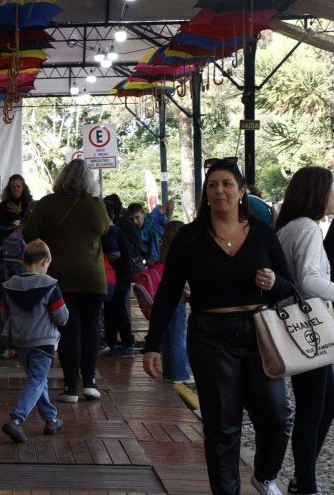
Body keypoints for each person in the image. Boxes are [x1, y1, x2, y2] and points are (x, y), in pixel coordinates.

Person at [142, 158, 293, 495]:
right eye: (213, 185)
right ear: (205, 194)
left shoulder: (263, 234)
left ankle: (265, 475)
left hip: (260, 335)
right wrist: (152, 344)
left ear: (242, 192)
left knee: (277, 416)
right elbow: (167, 292)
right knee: (222, 429)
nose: (220, 190)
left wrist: (273, 282)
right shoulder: (190, 237)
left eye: (227, 184)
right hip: (211, 337)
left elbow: (288, 287)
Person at [23, 158, 109, 403]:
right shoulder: (96, 205)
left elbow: (29, 234)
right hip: (93, 277)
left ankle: (71, 387)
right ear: (88, 181)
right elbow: (104, 230)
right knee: (92, 327)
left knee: (69, 329)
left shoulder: (47, 204)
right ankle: (90, 382)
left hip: (60, 277)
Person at [274, 166, 334, 495]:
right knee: (312, 409)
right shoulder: (308, 229)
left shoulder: (287, 227)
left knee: (324, 402)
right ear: (317, 192)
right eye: (331, 188)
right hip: (309, 327)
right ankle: (305, 483)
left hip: (297, 325)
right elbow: (309, 280)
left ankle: (303, 477)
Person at [0, 239, 68, 443]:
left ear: (24, 261)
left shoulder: (10, 287)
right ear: (44, 262)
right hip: (44, 342)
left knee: (38, 381)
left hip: (22, 343)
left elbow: (5, 314)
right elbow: (61, 316)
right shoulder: (50, 286)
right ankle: (17, 419)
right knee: (37, 381)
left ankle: (50, 418)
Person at [154, 221, 192, 383]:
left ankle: (169, 370)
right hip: (179, 299)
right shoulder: (183, 254)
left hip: (166, 299)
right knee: (178, 336)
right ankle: (180, 373)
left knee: (168, 336)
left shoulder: (164, 256)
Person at [101, 201, 136, 357]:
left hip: (118, 278)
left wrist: (101, 258)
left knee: (117, 310)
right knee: (114, 310)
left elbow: (115, 254)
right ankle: (114, 343)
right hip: (122, 276)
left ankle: (125, 343)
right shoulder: (115, 230)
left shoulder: (109, 232)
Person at [127, 202, 161, 267]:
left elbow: (170, 203)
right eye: (131, 219)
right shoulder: (135, 232)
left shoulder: (152, 223)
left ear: (143, 214)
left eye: (137, 217)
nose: (135, 222)